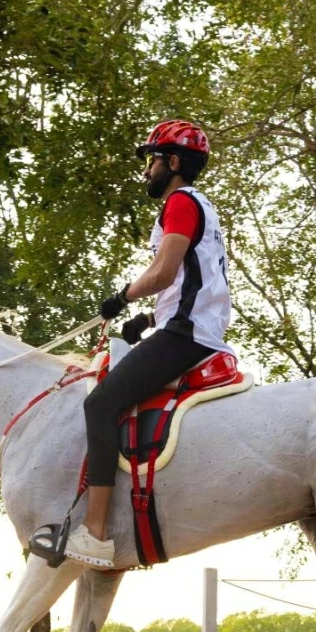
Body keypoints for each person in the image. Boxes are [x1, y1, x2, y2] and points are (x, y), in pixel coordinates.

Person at [63, 120, 232, 568]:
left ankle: (96, 532)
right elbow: (186, 280)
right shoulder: (202, 204)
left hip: (186, 333)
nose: (148, 170)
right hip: (188, 326)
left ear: (173, 162)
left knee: (99, 405)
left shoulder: (178, 202)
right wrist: (147, 317)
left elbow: (162, 272)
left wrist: (121, 298)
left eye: (153, 160)